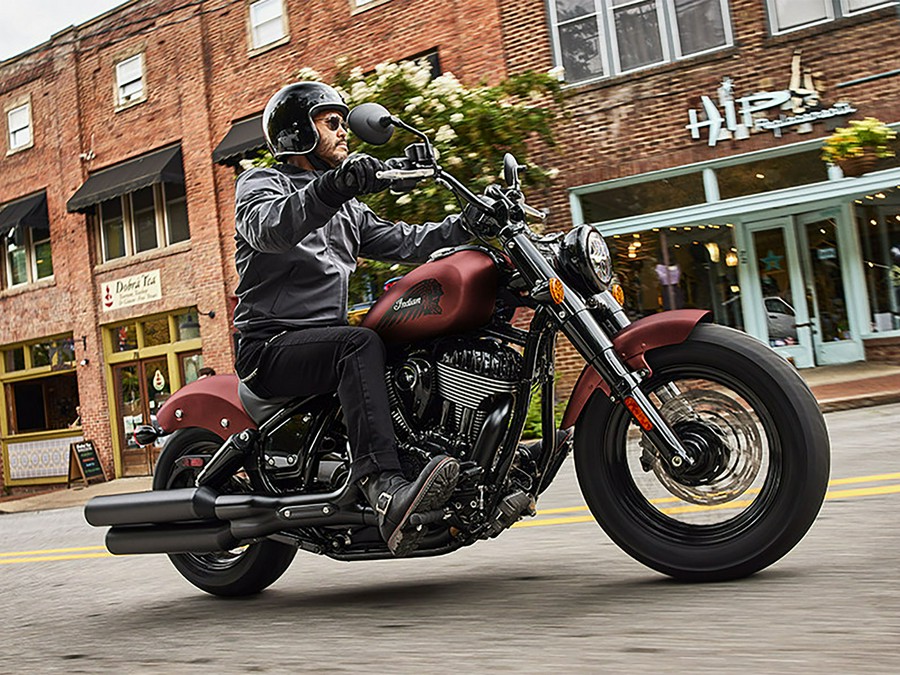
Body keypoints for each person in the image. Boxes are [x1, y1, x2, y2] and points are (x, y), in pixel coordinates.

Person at [232, 81, 471, 556]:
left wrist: (466, 225)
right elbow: (271, 229)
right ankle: (383, 486)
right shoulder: (260, 184)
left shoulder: (348, 208)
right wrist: (333, 187)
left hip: (325, 343)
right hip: (270, 347)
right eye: (332, 123)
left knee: (408, 342)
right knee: (358, 343)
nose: (344, 132)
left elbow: (406, 241)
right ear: (299, 131)